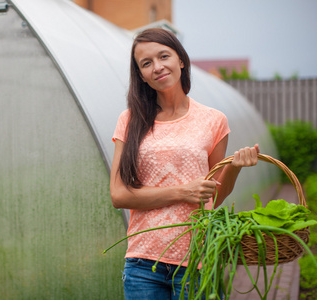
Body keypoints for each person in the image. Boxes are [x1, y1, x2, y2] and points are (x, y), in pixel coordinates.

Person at [110, 28, 260, 300]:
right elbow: (118, 195)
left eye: (163, 56)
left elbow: (214, 194)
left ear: (180, 60)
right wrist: (181, 192)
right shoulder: (129, 120)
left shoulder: (213, 120)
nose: (157, 67)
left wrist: (234, 168)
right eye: (146, 63)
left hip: (197, 261)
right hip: (142, 263)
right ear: (141, 75)